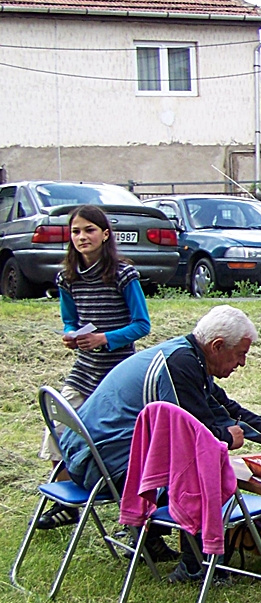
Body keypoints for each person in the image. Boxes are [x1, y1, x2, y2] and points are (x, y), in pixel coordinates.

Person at [58, 304, 261, 490]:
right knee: (199, 467)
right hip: (99, 466)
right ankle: (197, 561)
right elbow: (191, 437)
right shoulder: (180, 366)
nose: (242, 363)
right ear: (217, 346)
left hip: (86, 454)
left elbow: (225, 410)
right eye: (240, 354)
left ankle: (152, 541)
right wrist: (226, 438)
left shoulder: (188, 356)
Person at [37, 204, 152, 528]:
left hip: (119, 374)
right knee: (62, 428)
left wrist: (105, 338)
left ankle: (132, 513)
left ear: (105, 234)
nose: (82, 237)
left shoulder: (123, 274)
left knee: (117, 438)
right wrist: (70, 335)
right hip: (84, 370)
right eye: (75, 231)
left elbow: (142, 325)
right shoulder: (67, 277)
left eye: (89, 230)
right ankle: (64, 502)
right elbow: (69, 320)